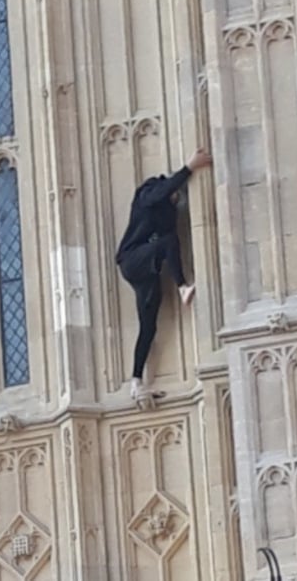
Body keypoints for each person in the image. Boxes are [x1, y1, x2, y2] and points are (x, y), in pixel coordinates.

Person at [115, 148, 212, 403]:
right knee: (169, 242)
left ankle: (136, 381)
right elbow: (159, 193)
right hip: (132, 259)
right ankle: (182, 287)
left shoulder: (162, 214)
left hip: (146, 268)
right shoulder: (148, 194)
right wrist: (189, 167)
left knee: (148, 324)